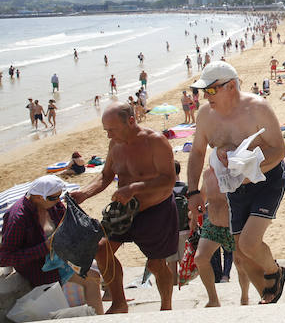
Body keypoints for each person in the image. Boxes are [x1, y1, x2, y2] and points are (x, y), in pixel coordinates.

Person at [186, 61, 285, 305]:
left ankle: (275, 272)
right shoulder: (205, 116)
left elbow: (279, 151)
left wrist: (248, 169)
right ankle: (268, 294)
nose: (205, 96)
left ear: (230, 86)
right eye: (202, 91)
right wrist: (192, 191)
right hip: (234, 186)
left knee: (249, 243)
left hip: (267, 179)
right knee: (241, 255)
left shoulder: (258, 109)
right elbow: (197, 152)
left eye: (210, 90)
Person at [69, 103, 177, 313]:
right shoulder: (115, 145)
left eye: (112, 129)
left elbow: (169, 180)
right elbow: (106, 175)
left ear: (130, 121)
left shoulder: (155, 142)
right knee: (101, 249)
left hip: (156, 209)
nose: (109, 135)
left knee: (156, 265)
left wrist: (135, 188)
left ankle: (166, 307)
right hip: (123, 211)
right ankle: (119, 302)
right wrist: (85, 193)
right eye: (106, 130)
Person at [0, 175, 103, 314]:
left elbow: (65, 224)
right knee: (91, 278)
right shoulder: (18, 217)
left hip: (58, 257)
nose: (58, 201)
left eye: (59, 197)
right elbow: (5, 258)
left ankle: (98, 317)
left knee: (98, 257)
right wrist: (45, 247)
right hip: (39, 267)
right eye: (54, 198)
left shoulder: (52, 206)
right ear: (37, 197)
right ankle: (97, 317)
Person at [194, 167, 250, 307]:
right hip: (213, 223)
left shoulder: (238, 171)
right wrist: (194, 214)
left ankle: (244, 298)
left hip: (234, 224)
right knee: (200, 259)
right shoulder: (208, 174)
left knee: (240, 263)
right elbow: (203, 196)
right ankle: (213, 299)